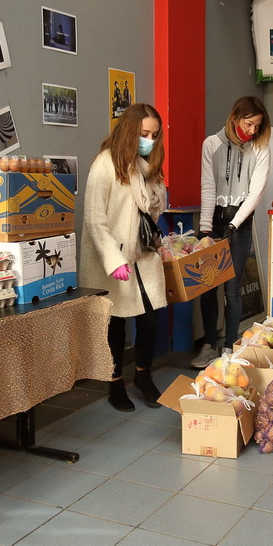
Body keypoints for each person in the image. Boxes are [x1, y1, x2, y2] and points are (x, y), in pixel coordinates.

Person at [80, 103, 168, 411]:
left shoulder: (147, 166)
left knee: (151, 315)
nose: (149, 140)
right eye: (144, 133)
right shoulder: (105, 164)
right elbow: (94, 219)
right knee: (115, 321)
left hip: (143, 252)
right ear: (130, 130)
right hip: (113, 255)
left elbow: (152, 210)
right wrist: (113, 259)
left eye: (154, 135)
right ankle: (114, 382)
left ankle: (143, 374)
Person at [192, 96, 272, 368]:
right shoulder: (211, 144)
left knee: (232, 288)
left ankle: (229, 348)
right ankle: (208, 345)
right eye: (249, 124)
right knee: (207, 286)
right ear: (235, 118)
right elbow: (207, 186)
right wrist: (205, 229)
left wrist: (234, 224)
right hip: (214, 219)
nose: (253, 130)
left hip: (240, 220)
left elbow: (256, 193)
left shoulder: (260, 148)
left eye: (257, 126)